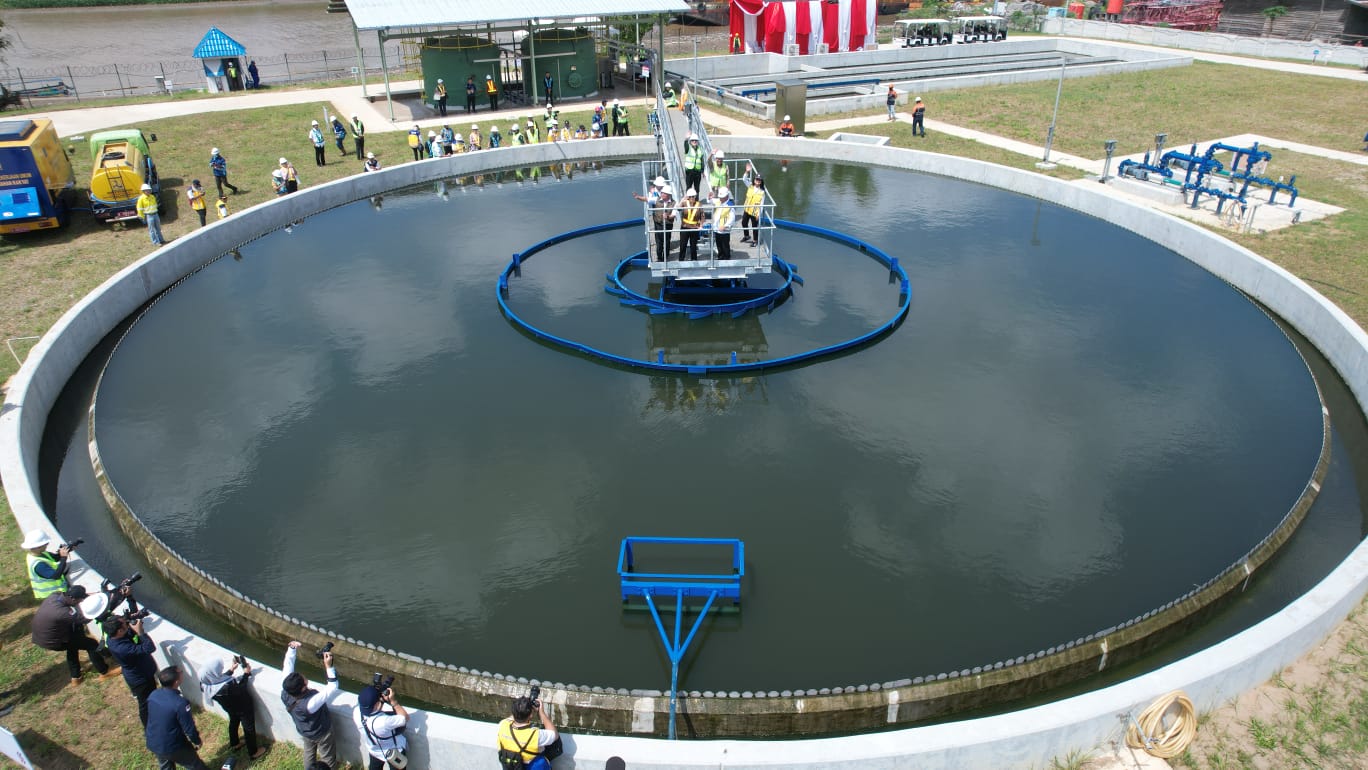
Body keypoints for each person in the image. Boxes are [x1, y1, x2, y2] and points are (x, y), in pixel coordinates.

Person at [31, 585, 118, 686]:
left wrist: (100, 594)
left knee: (73, 645)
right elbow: (86, 618)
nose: (81, 602)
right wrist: (106, 604)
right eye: (80, 600)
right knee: (91, 644)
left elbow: (80, 602)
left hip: (42, 636)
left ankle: (76, 677)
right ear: (72, 598)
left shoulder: (55, 596)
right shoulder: (62, 612)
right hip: (53, 642)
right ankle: (105, 672)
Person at [281, 640, 340, 770]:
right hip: (321, 733)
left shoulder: (286, 691)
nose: (304, 676)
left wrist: (292, 649)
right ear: (303, 688)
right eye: (304, 679)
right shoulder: (310, 703)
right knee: (328, 757)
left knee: (308, 753)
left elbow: (287, 666)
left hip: (304, 730)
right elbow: (332, 687)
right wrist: (329, 666)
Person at [146, 667, 209, 770]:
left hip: (154, 742)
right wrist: (197, 741)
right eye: (180, 672)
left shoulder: (154, 695)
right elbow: (189, 727)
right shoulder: (180, 703)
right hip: (173, 746)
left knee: (166, 766)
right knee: (195, 765)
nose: (181, 672)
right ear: (176, 682)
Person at [201, 656, 264, 759]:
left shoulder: (205, 683)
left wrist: (231, 670)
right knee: (248, 728)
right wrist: (246, 674)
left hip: (229, 707)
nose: (220, 671)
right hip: (242, 707)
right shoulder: (226, 688)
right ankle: (253, 752)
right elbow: (241, 689)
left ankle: (235, 743)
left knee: (234, 722)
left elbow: (217, 680)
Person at [105, 613, 158, 727]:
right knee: (145, 704)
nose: (128, 625)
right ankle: (149, 727)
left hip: (140, 673)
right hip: (141, 678)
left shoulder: (112, 638)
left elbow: (127, 635)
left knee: (151, 698)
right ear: (119, 631)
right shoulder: (122, 648)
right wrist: (140, 632)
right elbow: (149, 648)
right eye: (125, 624)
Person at [353, 679, 409, 770]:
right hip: (394, 751)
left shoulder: (356, 713)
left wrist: (379, 700)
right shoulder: (384, 721)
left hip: (374, 750)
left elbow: (372, 707)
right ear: (376, 705)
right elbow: (405, 718)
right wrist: (393, 702)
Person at [496, 695, 561, 770]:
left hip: (511, 763)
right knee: (556, 744)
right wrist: (541, 713)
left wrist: (521, 707)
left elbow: (512, 717)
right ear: (530, 715)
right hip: (529, 765)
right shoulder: (535, 735)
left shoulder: (502, 725)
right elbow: (554, 734)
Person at [22, 529, 72, 599]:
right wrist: (64, 558)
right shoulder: (39, 565)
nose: (47, 544)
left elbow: (55, 558)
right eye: (46, 543)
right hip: (51, 597)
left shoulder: (39, 554)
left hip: (56, 594)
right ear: (38, 546)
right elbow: (56, 575)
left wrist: (67, 550)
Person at [678, 188, 704, 261]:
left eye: (693, 196)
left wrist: (701, 225)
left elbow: (702, 216)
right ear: (688, 197)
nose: (692, 198)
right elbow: (678, 208)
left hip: (694, 227)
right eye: (690, 196)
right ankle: (681, 259)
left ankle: (694, 259)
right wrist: (683, 198)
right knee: (683, 244)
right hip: (685, 227)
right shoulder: (684, 203)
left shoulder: (699, 204)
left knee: (693, 245)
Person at [713, 186, 735, 260]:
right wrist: (709, 197)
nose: (720, 198)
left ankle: (727, 257)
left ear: (726, 196)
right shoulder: (719, 201)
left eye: (722, 197)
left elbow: (732, 218)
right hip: (717, 228)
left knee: (725, 245)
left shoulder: (730, 205)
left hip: (724, 229)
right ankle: (720, 256)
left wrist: (725, 226)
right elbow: (712, 200)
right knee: (718, 244)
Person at [741, 174, 764, 245]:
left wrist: (759, 214)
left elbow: (762, 204)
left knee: (754, 226)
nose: (757, 181)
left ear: (761, 182)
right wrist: (747, 172)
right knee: (744, 222)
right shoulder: (750, 186)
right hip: (747, 209)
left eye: (759, 180)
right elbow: (744, 179)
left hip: (755, 212)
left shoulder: (762, 192)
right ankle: (746, 235)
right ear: (754, 180)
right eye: (756, 179)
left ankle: (755, 241)